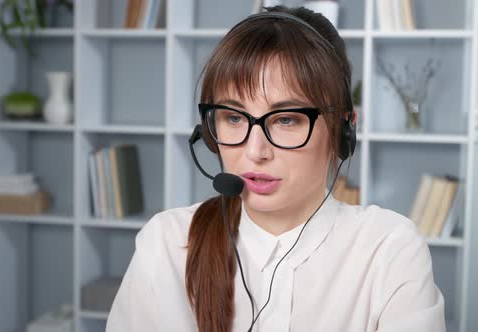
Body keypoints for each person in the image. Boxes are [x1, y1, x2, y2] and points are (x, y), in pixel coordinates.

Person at [106, 5, 445, 332]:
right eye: (234, 118)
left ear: (343, 131)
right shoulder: (167, 243)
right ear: (210, 131)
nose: (255, 152)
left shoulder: (388, 249)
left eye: (286, 119)